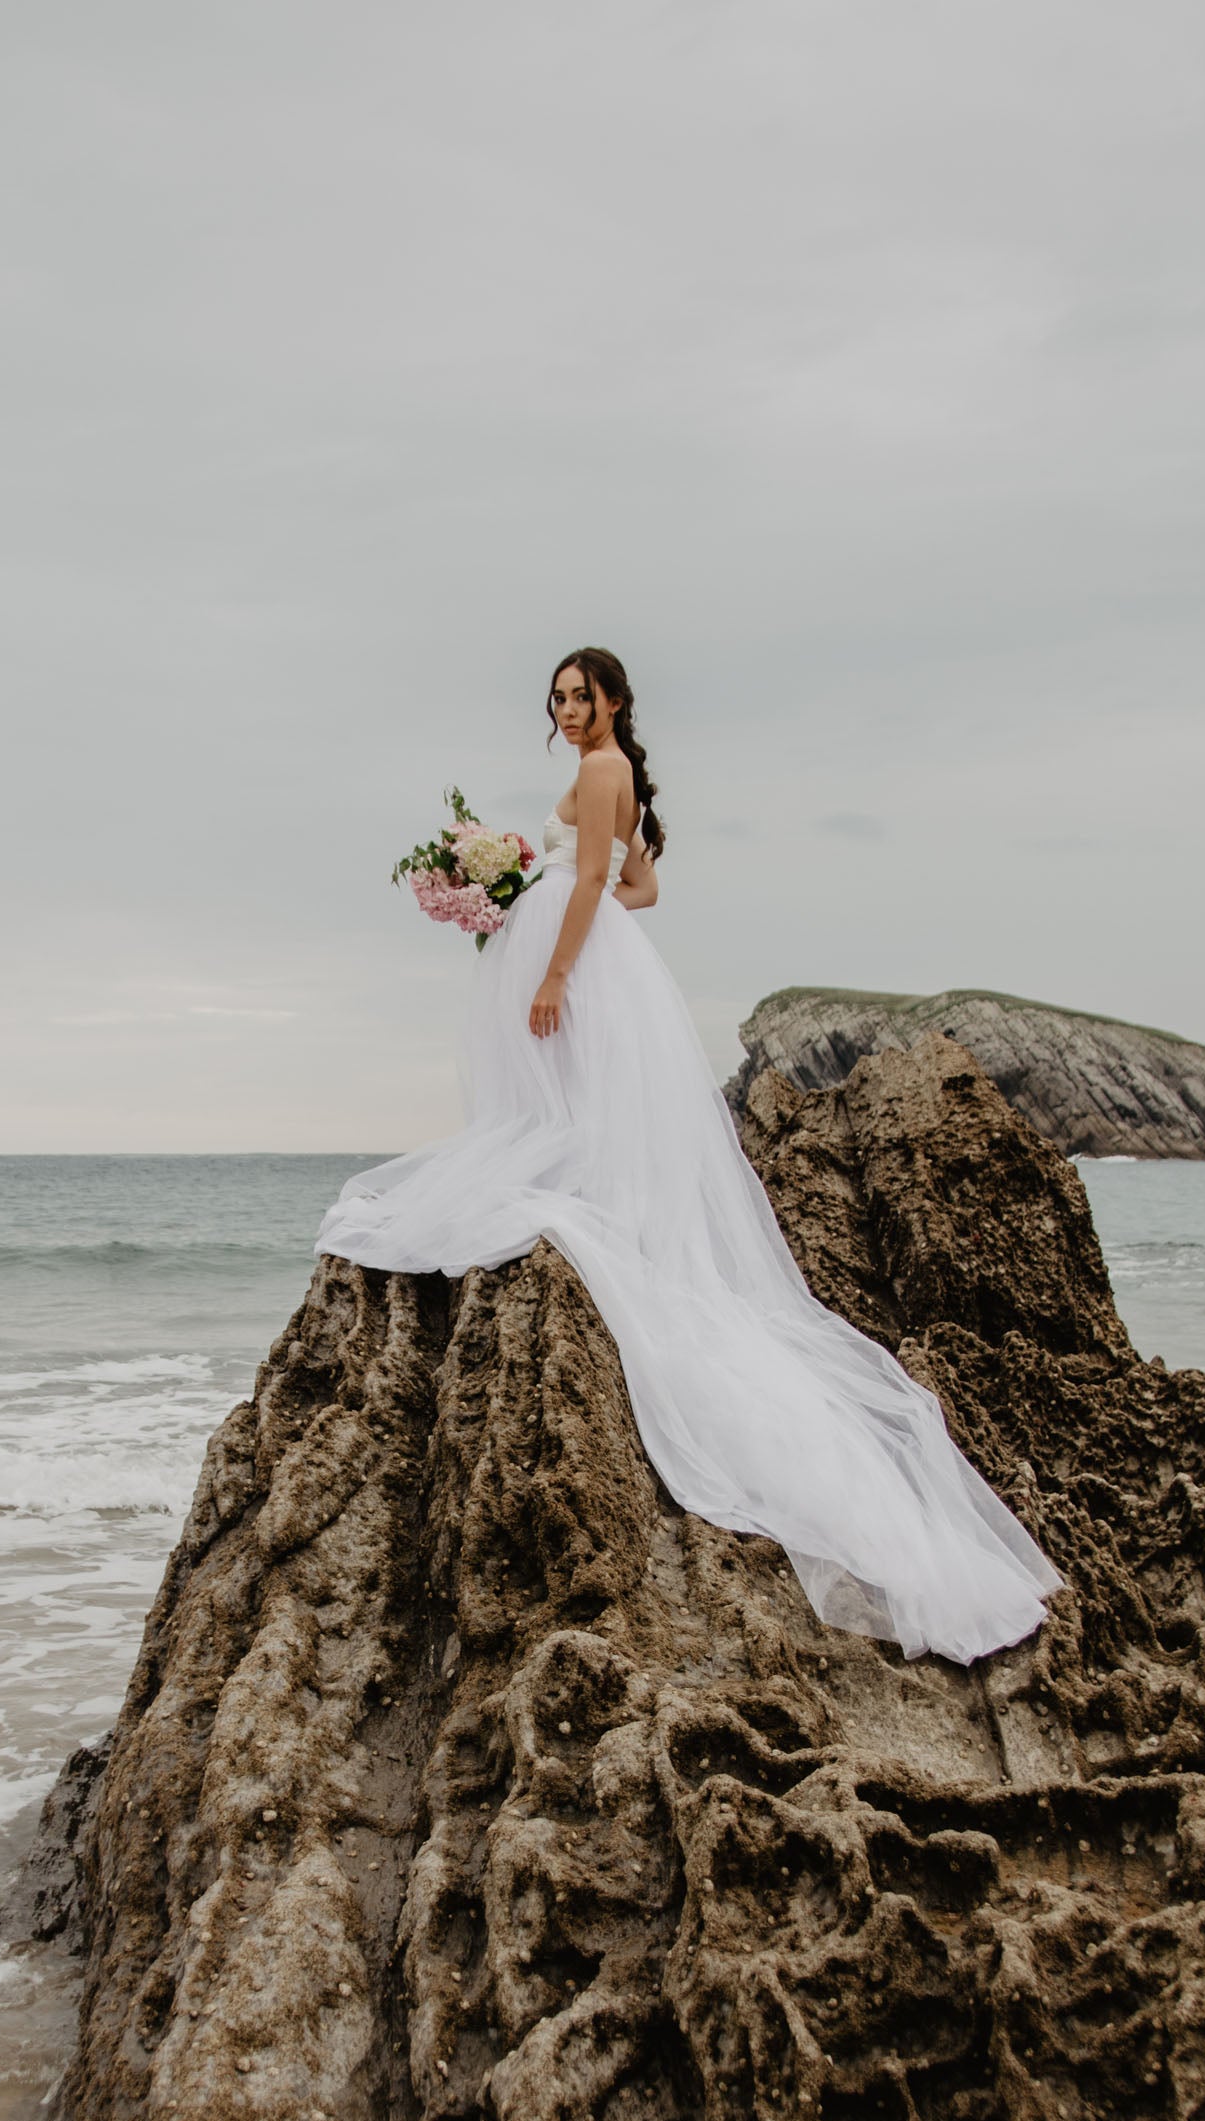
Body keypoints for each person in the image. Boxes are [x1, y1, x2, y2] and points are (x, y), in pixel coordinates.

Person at [316, 647, 1058, 1664]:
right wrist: (535, 902)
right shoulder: (614, 775)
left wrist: (554, 961)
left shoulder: (598, 771)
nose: (567, 710)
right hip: (602, 958)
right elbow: (644, 887)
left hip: (581, 966)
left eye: (582, 696)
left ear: (613, 701)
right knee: (581, 1120)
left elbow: (596, 886)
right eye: (558, 698)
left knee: (560, 1118)